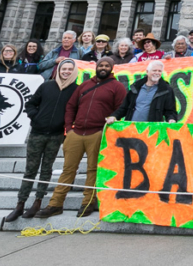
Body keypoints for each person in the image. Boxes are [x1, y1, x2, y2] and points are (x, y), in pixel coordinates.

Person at [37, 57, 127, 218]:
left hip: (97, 133)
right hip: (76, 133)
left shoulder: (117, 87)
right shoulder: (84, 85)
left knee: (93, 170)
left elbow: (122, 109)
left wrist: (109, 123)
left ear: (111, 68)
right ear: (96, 67)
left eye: (107, 65)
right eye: (101, 65)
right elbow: (71, 106)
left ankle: (88, 202)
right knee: (68, 170)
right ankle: (55, 204)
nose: (104, 68)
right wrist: (68, 128)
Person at [4, 57, 80, 222]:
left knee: (46, 169)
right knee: (30, 169)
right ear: (58, 70)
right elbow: (31, 104)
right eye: (63, 69)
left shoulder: (76, 90)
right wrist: (35, 117)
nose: (66, 72)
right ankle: (20, 203)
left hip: (56, 135)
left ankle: (38, 201)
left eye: (69, 69)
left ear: (74, 72)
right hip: (38, 132)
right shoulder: (46, 86)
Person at [108, 60, 177, 124]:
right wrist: (114, 116)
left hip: (152, 131)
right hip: (131, 129)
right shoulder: (136, 87)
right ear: (147, 72)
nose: (157, 73)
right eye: (154, 70)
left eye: (159, 71)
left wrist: (171, 119)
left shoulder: (166, 90)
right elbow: (124, 107)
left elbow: (170, 111)